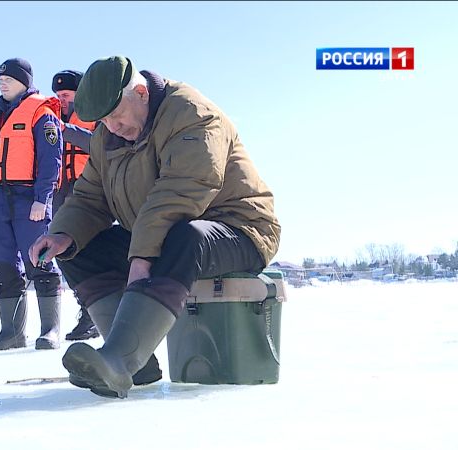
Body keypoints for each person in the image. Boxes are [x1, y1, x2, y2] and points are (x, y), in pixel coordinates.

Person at [30, 56, 281, 399]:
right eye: (104, 120)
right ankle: (135, 360)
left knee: (184, 235)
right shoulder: (108, 137)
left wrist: (141, 258)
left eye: (116, 116)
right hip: (159, 232)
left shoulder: (191, 113)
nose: (111, 127)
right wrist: (62, 235)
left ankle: (119, 360)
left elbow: (179, 194)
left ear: (141, 93)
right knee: (79, 248)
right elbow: (90, 197)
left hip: (240, 230)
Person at [0, 58, 63, 351]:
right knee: (6, 267)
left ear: (24, 81)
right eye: (0, 79)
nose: (2, 82)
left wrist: (42, 199)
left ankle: (51, 330)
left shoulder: (42, 114)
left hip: (28, 201)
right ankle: (11, 332)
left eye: (8, 78)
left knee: (41, 262)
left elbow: (51, 162)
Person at [51, 69, 99, 342]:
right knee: (67, 254)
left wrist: (66, 130)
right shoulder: (49, 117)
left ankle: (96, 312)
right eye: (58, 95)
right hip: (60, 193)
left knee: (92, 250)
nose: (62, 100)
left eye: (66, 95)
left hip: (90, 192)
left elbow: (100, 145)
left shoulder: (97, 114)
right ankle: (87, 309)